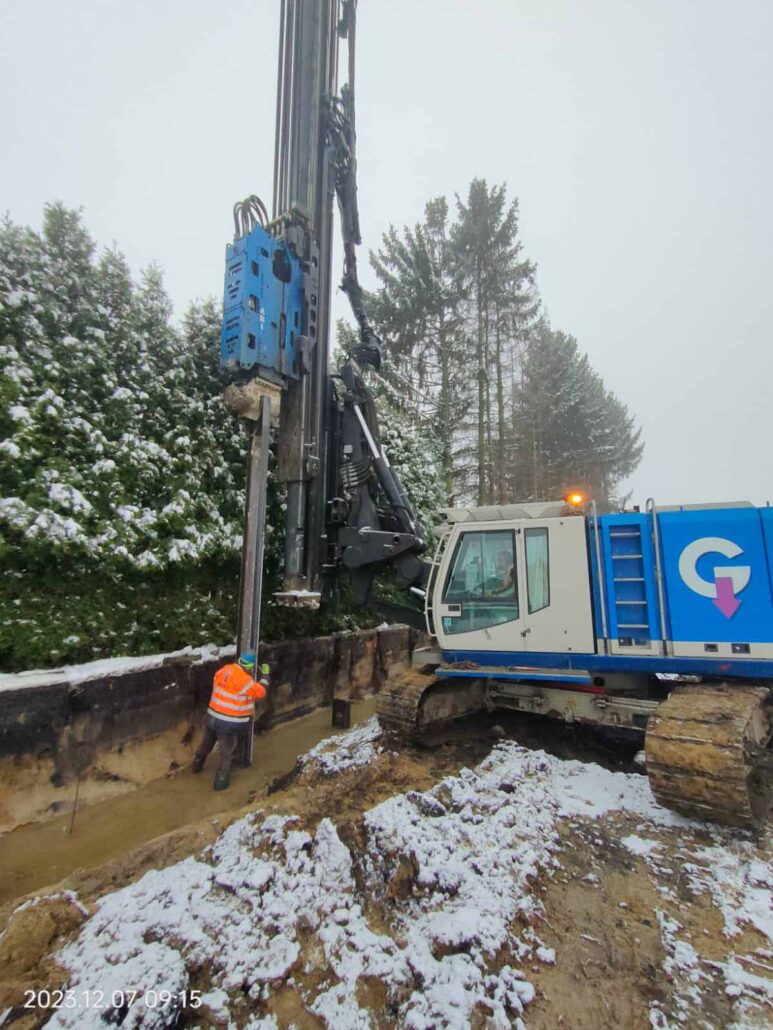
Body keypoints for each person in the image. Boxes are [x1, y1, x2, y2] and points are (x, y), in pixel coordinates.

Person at [192, 651, 269, 791]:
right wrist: (265, 676)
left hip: (212, 716)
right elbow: (260, 692)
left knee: (206, 743)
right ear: (251, 666)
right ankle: (220, 784)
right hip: (229, 722)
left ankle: (196, 766)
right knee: (226, 752)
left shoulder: (224, 670)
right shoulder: (244, 680)